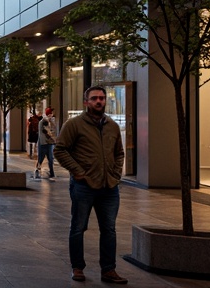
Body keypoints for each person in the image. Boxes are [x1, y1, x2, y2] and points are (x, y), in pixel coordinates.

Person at [55, 85, 127, 284]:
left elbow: (119, 153)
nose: (99, 101)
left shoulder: (112, 125)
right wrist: (78, 172)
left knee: (109, 230)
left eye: (102, 98)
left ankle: (108, 270)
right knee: (78, 228)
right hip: (84, 187)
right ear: (86, 102)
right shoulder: (74, 124)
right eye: (94, 98)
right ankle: (77, 267)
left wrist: (115, 173)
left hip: (110, 187)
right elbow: (60, 150)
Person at [36, 106, 58, 180]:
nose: (52, 115)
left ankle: (52, 173)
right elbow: (46, 132)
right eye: (50, 113)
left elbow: (53, 130)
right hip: (44, 143)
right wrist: (52, 139)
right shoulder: (43, 122)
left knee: (50, 159)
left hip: (49, 143)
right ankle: (37, 171)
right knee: (41, 159)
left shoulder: (49, 121)